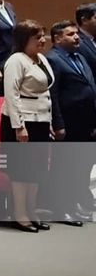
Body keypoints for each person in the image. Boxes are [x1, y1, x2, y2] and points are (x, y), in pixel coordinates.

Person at [1, 20, 55, 232]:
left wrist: (49, 121)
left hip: (40, 120)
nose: (42, 40)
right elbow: (11, 95)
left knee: (36, 170)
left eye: (42, 36)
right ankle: (19, 213)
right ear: (24, 40)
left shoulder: (41, 58)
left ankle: (32, 210)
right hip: (21, 122)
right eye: (37, 37)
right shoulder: (16, 60)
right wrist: (19, 126)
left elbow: (46, 92)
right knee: (21, 171)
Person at [45, 21, 96, 224]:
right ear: (57, 38)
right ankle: (60, 208)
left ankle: (75, 202)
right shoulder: (53, 59)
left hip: (86, 121)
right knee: (64, 168)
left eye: (76, 33)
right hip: (69, 122)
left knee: (82, 166)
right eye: (71, 34)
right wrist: (58, 124)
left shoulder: (79, 57)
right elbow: (53, 95)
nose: (76, 37)